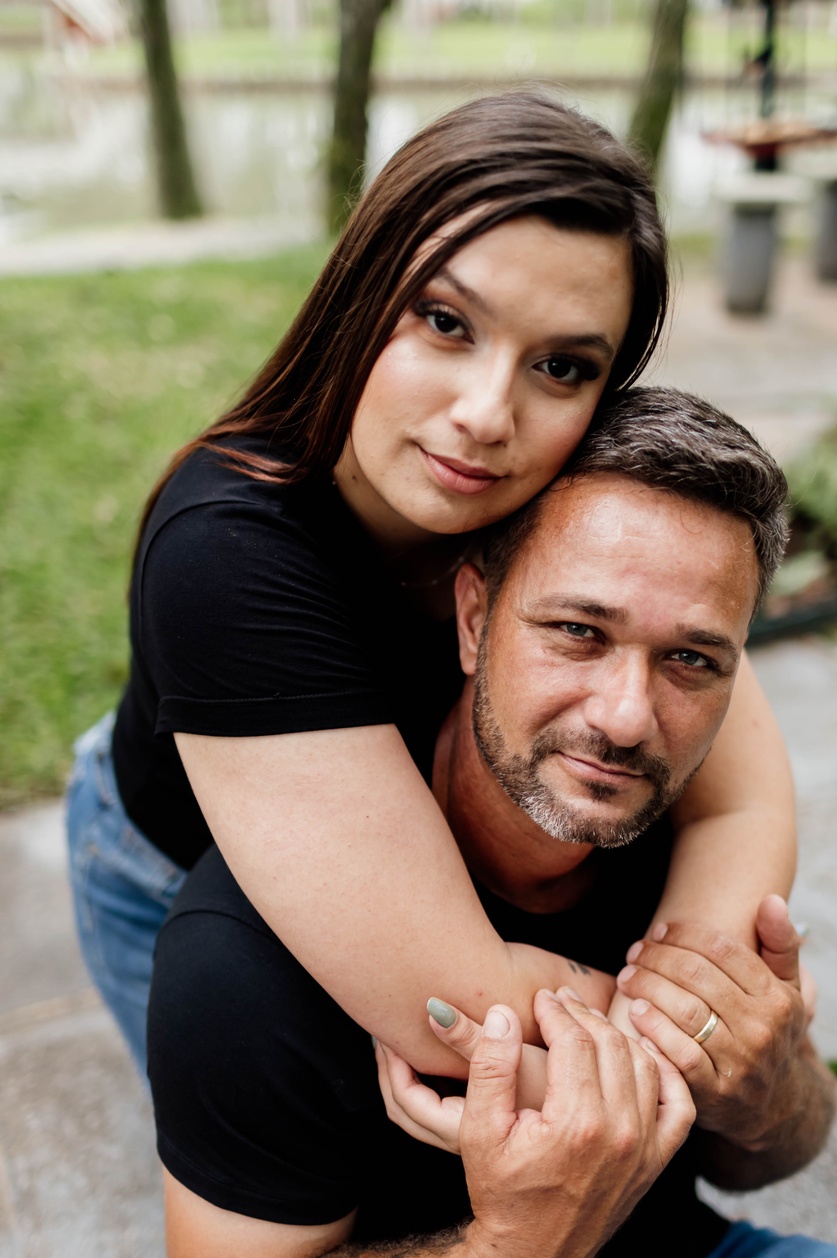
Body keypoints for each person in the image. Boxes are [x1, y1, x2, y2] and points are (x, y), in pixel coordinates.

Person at [148, 389, 837, 1258]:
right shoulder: (249, 954)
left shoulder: (686, 852)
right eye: (578, 630)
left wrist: (771, 1086)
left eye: (690, 659)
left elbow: (765, 1152)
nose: (626, 716)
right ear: (474, 618)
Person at [66, 91, 795, 1087]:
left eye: (561, 365)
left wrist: (696, 993)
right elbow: (456, 1003)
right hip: (167, 865)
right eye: (446, 321)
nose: (487, 415)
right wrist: (696, 1036)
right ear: (361, 293)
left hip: (405, 830)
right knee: (244, 1112)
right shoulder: (222, 555)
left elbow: (741, 807)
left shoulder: (558, 486)